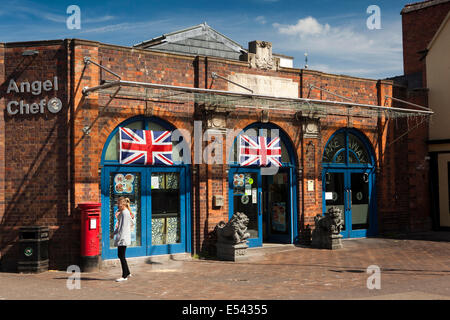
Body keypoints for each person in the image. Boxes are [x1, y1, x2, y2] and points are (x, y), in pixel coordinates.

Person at [112, 196, 135, 282]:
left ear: (122, 204)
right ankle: (128, 272)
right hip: (124, 237)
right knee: (122, 256)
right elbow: (131, 223)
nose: (117, 205)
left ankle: (124, 276)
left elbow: (122, 227)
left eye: (118, 203)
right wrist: (113, 234)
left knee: (121, 256)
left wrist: (119, 238)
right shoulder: (125, 213)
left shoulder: (124, 213)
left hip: (123, 238)